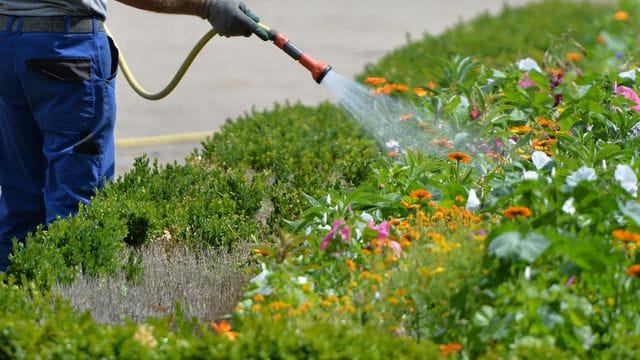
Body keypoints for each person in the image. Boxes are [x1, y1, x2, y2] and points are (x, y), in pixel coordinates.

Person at [0, 0, 264, 271]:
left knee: (20, 194)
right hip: (65, 50)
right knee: (75, 204)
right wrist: (208, 6)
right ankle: (64, 302)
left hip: (7, 45)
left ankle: (13, 302)